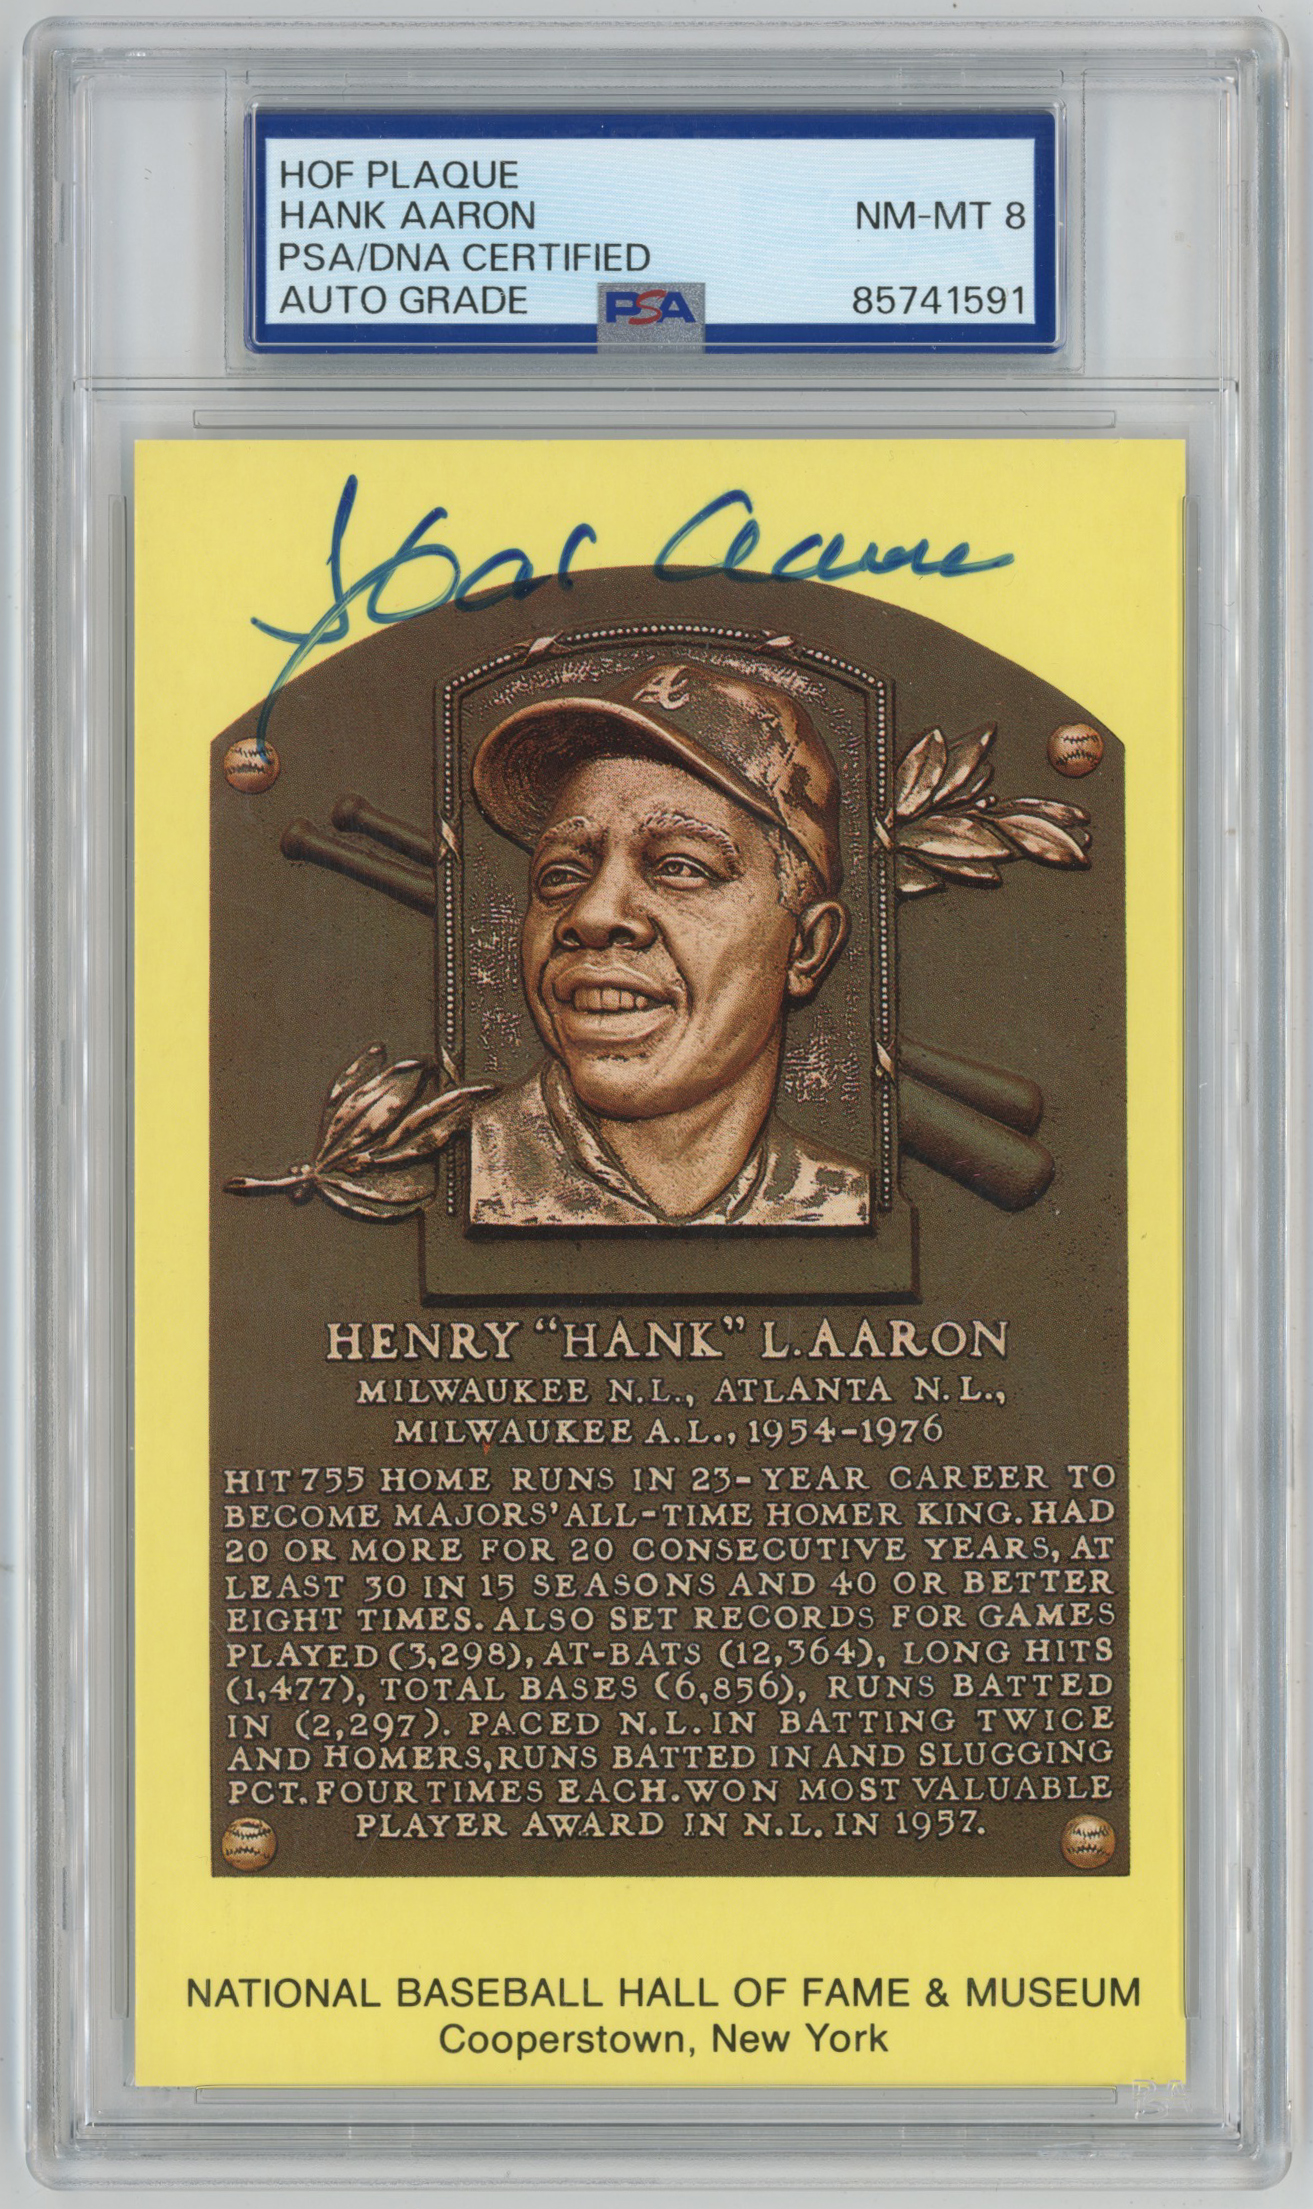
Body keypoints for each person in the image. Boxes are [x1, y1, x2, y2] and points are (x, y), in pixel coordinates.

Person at [465, 658, 870, 1229]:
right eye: (561, 874)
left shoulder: (847, 1203)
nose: (593, 915)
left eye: (680, 867)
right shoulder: (455, 1178)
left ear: (807, 946)